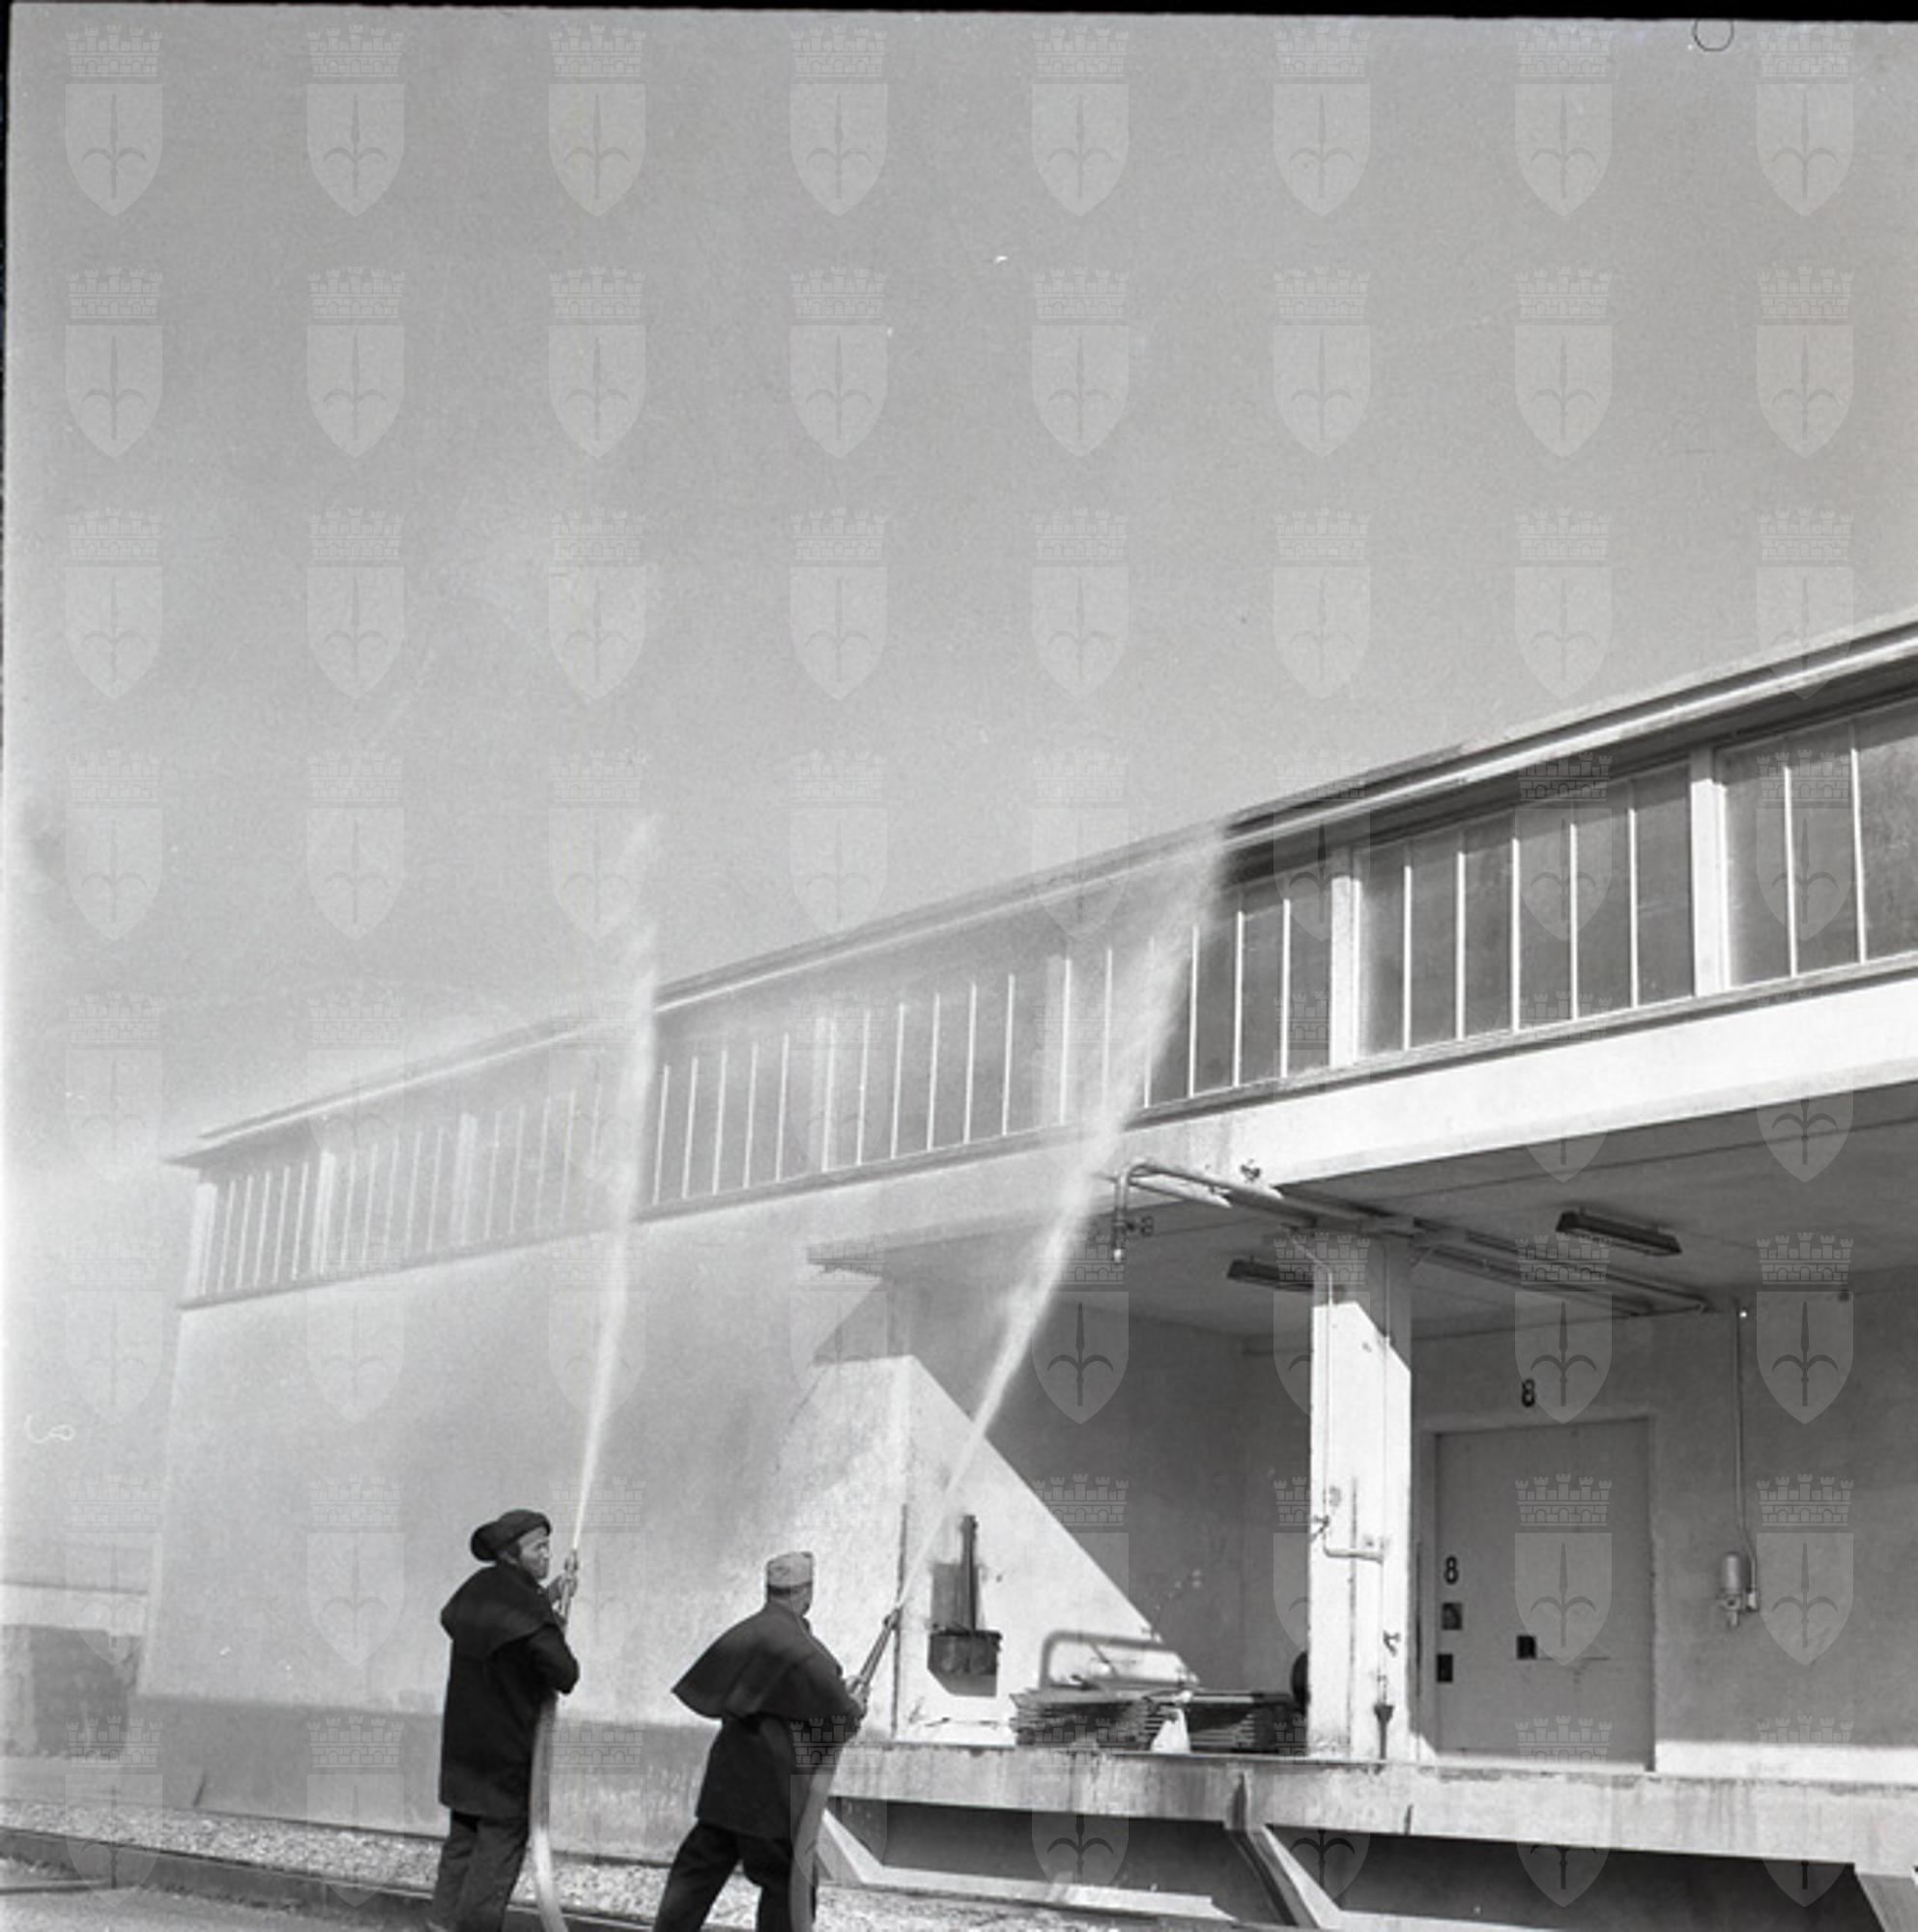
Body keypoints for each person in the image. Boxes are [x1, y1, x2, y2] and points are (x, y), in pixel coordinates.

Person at [653, 1551, 867, 1932]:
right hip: (773, 1794)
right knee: (789, 1885)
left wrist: (836, 1696)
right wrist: (854, 1705)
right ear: (805, 1593)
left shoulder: (744, 1634)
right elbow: (838, 1721)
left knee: (696, 1875)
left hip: (725, 1785)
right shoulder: (804, 1650)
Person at [426, 1509, 580, 1932]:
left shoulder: (478, 1589)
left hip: (463, 1756)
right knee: (495, 1860)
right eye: (538, 1549)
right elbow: (565, 1674)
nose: (547, 1555)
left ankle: (438, 1927)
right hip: (505, 1764)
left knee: (461, 1848)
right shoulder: (530, 1614)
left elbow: (501, 1625)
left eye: (548, 1546)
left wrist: (549, 1597)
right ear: (513, 1554)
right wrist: (550, 1621)